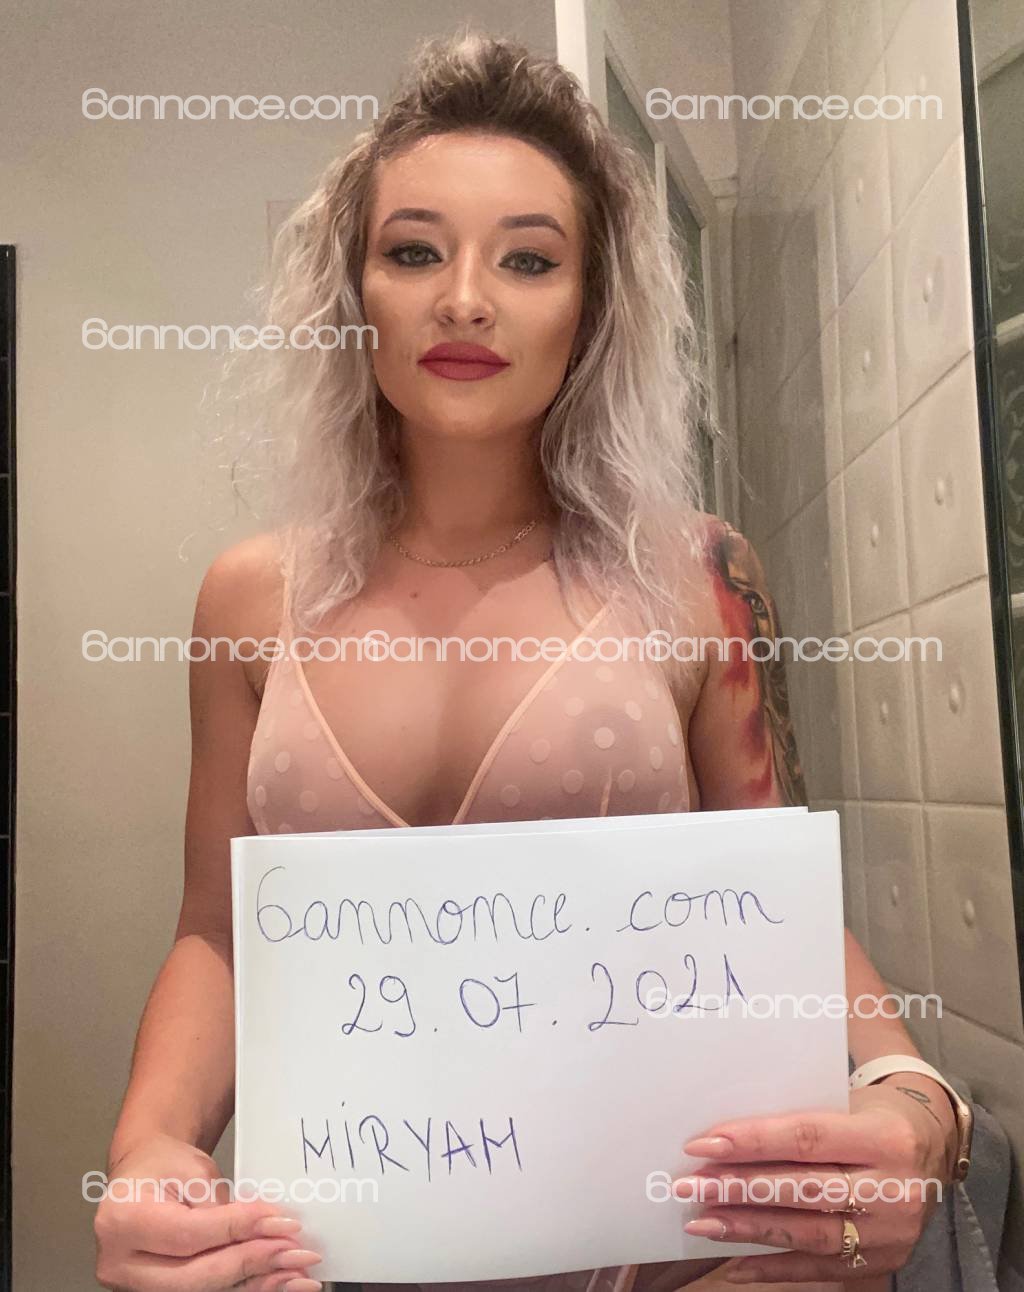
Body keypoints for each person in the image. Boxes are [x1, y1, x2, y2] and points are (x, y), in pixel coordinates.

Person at [95, 31, 965, 1292]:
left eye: (528, 258)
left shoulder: (693, 576)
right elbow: (217, 935)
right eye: (413, 251)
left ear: (590, 307)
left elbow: (770, 907)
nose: (463, 298)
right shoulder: (252, 597)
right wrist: (146, 1147)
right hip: (334, 1266)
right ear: (352, 293)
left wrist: (910, 1097)